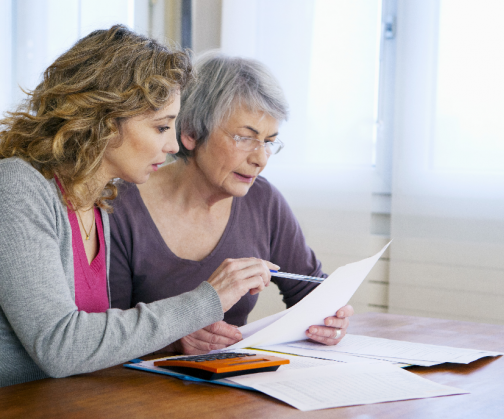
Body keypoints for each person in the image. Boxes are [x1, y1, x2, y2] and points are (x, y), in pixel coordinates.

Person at [0, 27, 275, 403]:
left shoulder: (99, 201)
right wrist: (207, 300)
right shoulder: (12, 189)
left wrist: (176, 337)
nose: (172, 145)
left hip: (59, 406)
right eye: (160, 126)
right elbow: (61, 346)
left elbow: (94, 338)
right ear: (105, 120)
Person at [109, 52, 353, 355]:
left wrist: (330, 319)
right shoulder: (119, 208)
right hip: (137, 391)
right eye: (244, 137)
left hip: (234, 387)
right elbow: (103, 333)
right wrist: (174, 340)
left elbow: (310, 290)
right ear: (191, 133)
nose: (260, 159)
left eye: (268, 141)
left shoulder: (263, 200)